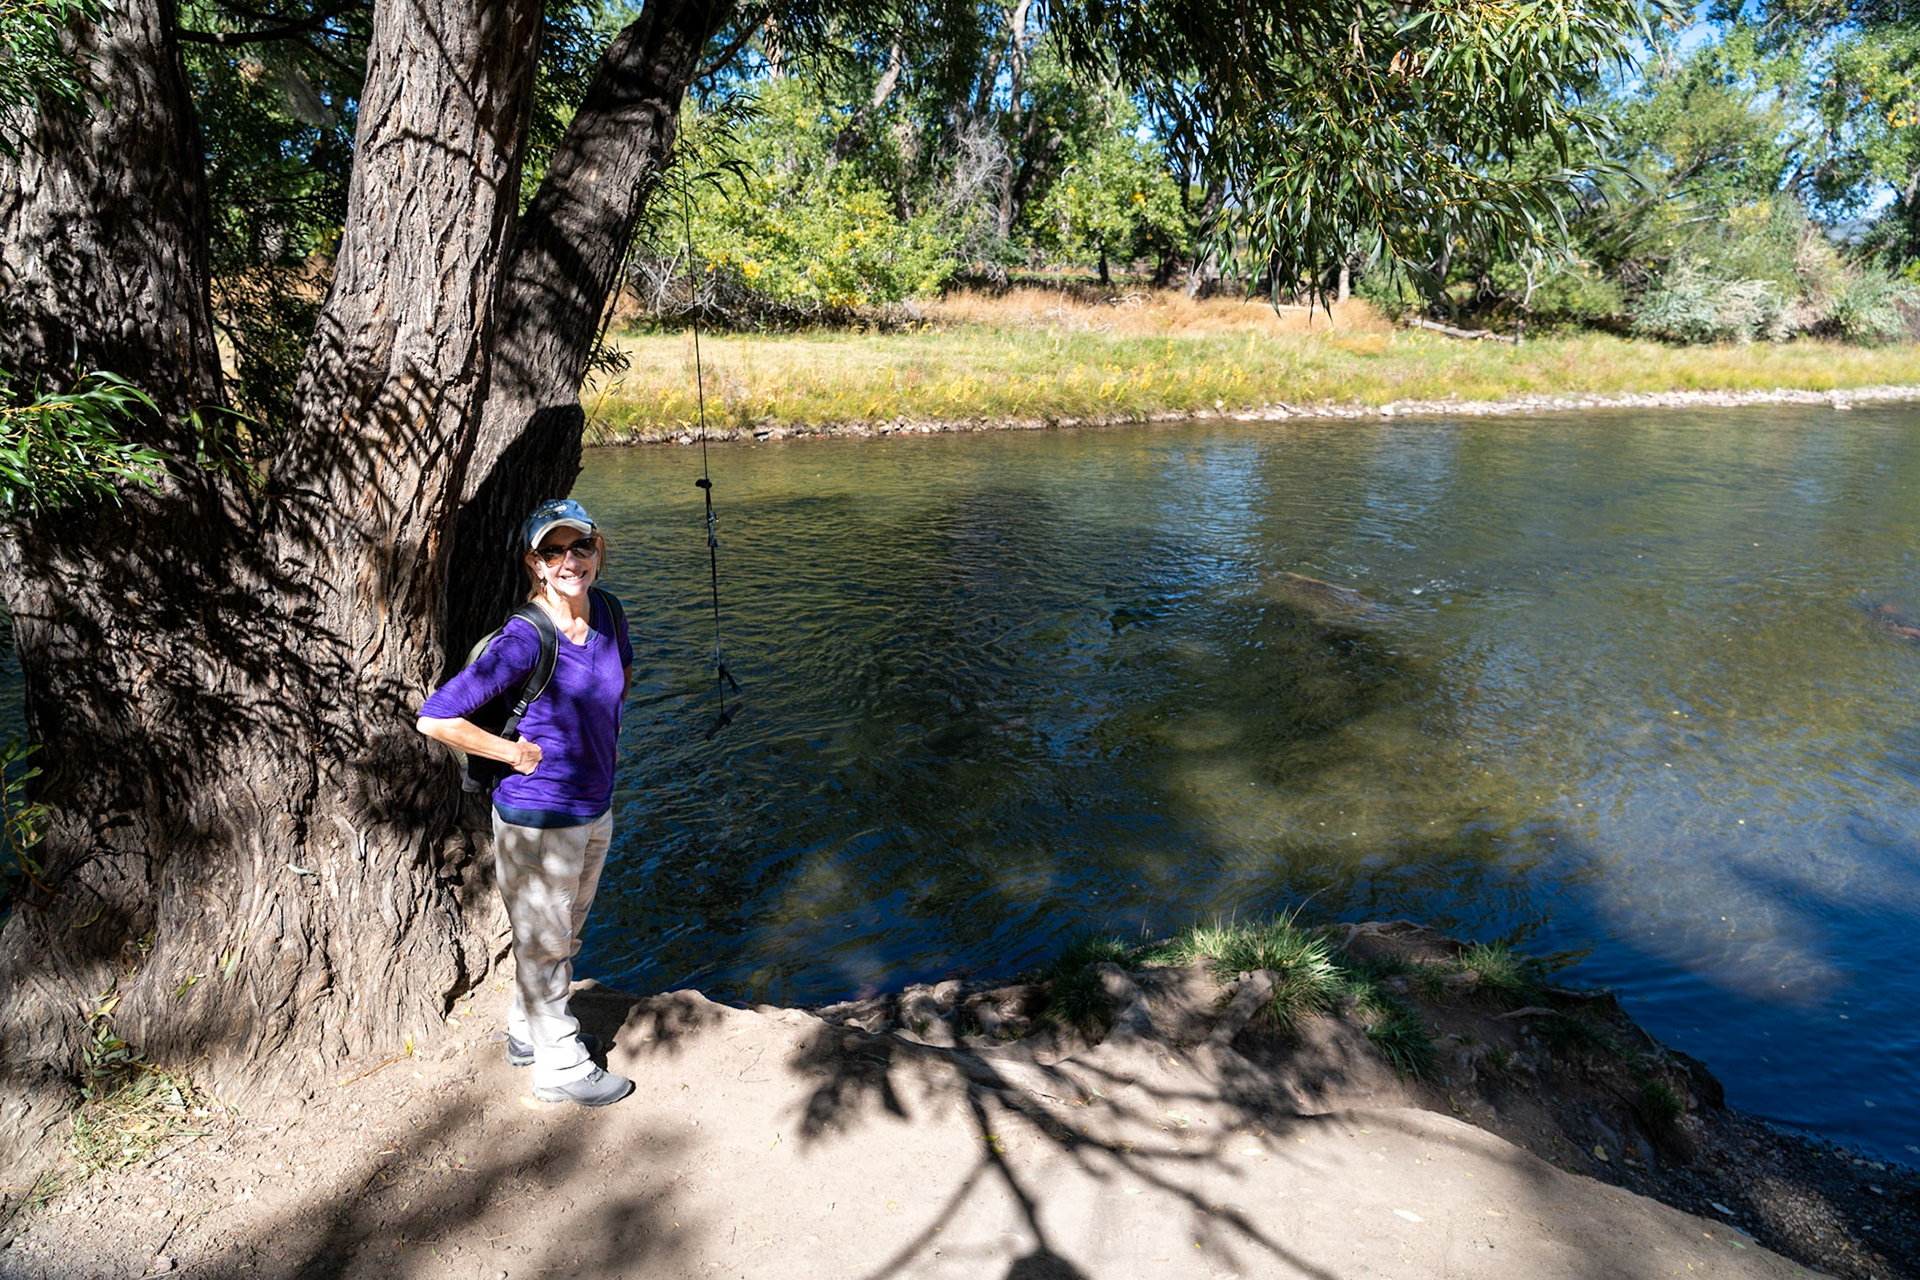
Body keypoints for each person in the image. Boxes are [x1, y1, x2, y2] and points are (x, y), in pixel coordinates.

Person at [417, 498, 635, 1107]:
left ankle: (523, 1030)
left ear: (598, 550)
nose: (570, 561)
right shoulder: (523, 638)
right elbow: (435, 718)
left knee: (561, 933)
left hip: (594, 806)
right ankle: (560, 1066)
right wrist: (512, 755)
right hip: (537, 816)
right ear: (534, 564)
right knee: (546, 938)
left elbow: (616, 689)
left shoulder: (610, 614)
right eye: (553, 551)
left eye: (580, 547)